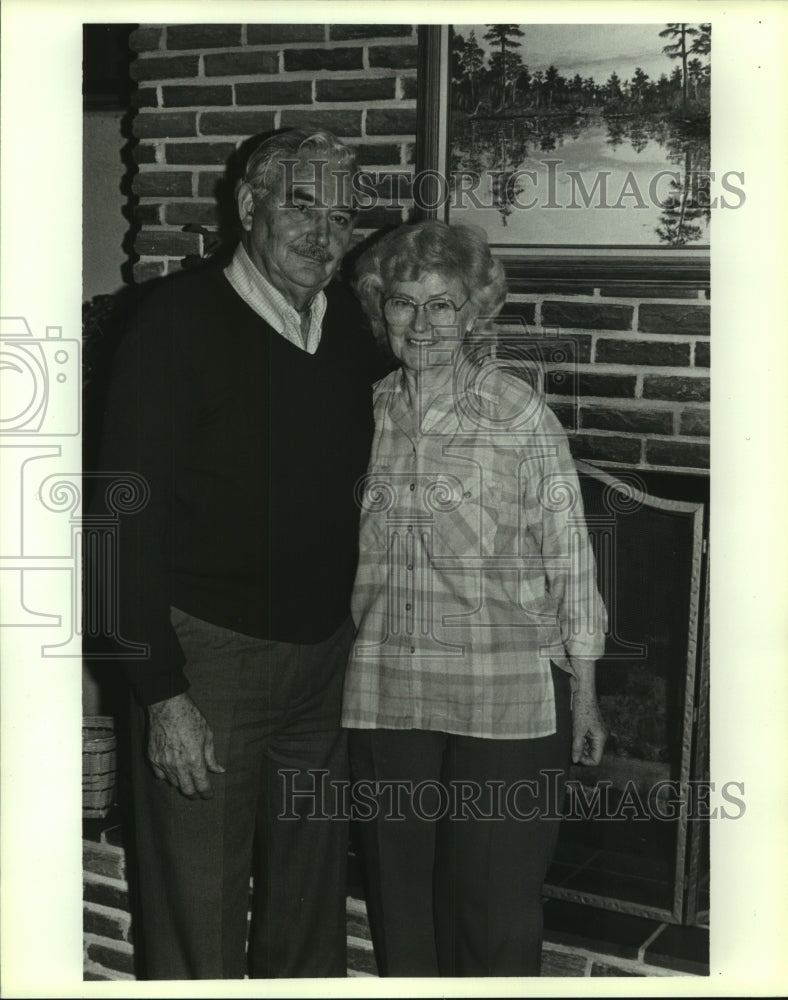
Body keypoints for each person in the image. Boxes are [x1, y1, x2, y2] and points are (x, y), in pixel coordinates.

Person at [94, 129, 387, 979]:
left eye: (341, 215)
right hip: (207, 662)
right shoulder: (174, 324)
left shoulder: (350, 335)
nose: (323, 232)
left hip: (322, 660)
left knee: (309, 904)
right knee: (200, 913)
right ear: (249, 204)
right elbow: (119, 519)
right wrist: (160, 692)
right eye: (302, 205)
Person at [343, 220, 609, 977]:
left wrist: (584, 694)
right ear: (379, 310)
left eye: (442, 305)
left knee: (493, 911)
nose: (422, 324)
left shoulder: (519, 415)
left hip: (506, 695)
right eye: (404, 303)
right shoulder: (363, 412)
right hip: (384, 689)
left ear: (475, 313)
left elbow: (571, 557)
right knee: (400, 905)